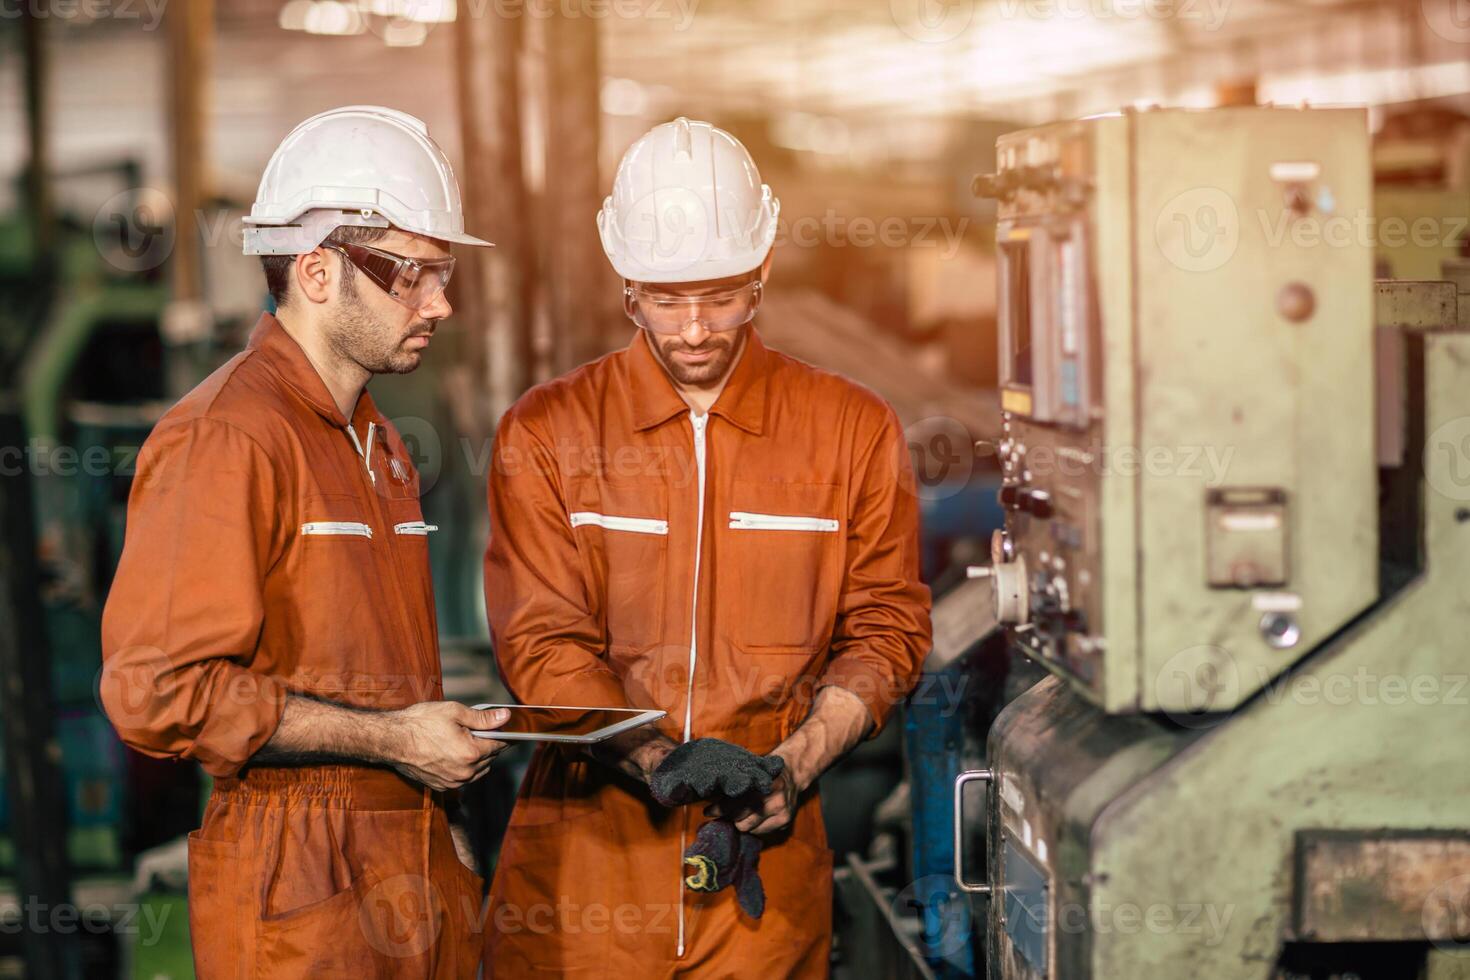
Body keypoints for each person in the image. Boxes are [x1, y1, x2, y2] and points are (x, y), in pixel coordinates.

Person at [482, 117, 932, 977]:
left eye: (720, 296)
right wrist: (657, 757)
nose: (693, 330)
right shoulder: (548, 432)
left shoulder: (850, 429)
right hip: (584, 888)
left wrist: (795, 763)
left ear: (762, 273)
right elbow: (539, 639)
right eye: (664, 298)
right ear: (626, 287)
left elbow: (887, 626)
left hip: (761, 885)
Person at [101, 105, 507, 978]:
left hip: (406, 866)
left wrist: (442, 829)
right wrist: (396, 742)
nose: (441, 301)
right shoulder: (226, 437)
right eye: (412, 274)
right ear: (318, 272)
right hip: (297, 880)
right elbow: (156, 691)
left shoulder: (376, 441)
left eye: (441, 273)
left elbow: (388, 683)